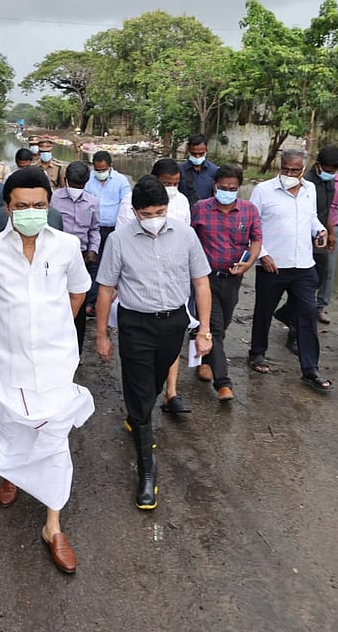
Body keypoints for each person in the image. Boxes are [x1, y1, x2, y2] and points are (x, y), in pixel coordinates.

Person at [0, 166, 93, 574]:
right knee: (11, 426)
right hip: (9, 361)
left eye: (39, 205)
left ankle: (53, 525)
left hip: (57, 362)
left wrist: (57, 325)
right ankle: (12, 475)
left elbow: (79, 291)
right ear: (7, 207)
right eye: (22, 206)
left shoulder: (66, 246)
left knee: (54, 438)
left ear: (49, 205)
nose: (31, 212)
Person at [95, 176, 212, 510]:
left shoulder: (186, 235)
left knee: (154, 384)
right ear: (135, 212)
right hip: (135, 324)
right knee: (140, 388)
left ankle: (138, 414)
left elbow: (201, 282)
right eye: (148, 214)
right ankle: (147, 471)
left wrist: (204, 329)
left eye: (160, 211)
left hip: (173, 322)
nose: (155, 218)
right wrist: (101, 334)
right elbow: (105, 288)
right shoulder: (119, 240)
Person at [247, 149, 332, 392]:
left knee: (307, 314)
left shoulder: (310, 190)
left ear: (303, 170)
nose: (289, 173)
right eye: (285, 169)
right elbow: (252, 227)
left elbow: (312, 218)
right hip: (272, 264)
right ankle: (257, 353)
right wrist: (262, 254)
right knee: (263, 311)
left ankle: (310, 368)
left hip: (303, 264)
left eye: (295, 170)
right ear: (280, 166)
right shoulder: (263, 190)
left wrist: (320, 231)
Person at [114, 158, 192, 413]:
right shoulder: (131, 202)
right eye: (165, 184)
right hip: (140, 286)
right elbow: (123, 242)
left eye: (174, 184)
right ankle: (141, 421)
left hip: (171, 286)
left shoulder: (181, 202)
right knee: (140, 365)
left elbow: (186, 239)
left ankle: (170, 392)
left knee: (168, 351)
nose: (170, 188)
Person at [190, 165, 262, 401]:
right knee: (215, 327)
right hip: (205, 279)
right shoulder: (200, 209)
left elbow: (256, 240)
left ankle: (203, 358)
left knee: (222, 323)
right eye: (222, 188)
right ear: (214, 186)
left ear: (239, 188)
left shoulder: (249, 211)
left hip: (233, 278)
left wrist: (249, 262)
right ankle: (223, 383)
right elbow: (189, 241)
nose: (227, 192)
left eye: (232, 189)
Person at [274, 145, 338, 349]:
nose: (331, 174)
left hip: (317, 240)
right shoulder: (304, 182)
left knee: (314, 283)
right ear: (318, 165)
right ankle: (294, 333)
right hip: (297, 243)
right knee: (301, 292)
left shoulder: (327, 184)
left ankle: (286, 313)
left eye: (334, 171)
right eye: (328, 170)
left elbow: (324, 210)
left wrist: (329, 231)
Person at [50, 161, 100, 350]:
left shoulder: (92, 202)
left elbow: (95, 229)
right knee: (57, 300)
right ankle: (55, 343)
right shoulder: (54, 199)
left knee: (79, 302)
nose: (76, 190)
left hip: (81, 257)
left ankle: (76, 349)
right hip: (56, 256)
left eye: (80, 186)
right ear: (66, 180)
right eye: (73, 185)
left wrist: (93, 249)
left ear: (86, 183)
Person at [84, 150, 132, 316]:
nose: (100, 173)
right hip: (94, 229)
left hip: (114, 230)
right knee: (94, 264)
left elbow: (127, 205)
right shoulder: (89, 180)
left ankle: (111, 303)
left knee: (113, 266)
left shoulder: (121, 181)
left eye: (103, 170)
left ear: (110, 167)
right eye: (97, 170)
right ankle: (91, 302)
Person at [319, 169, 338, 322]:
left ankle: (321, 306)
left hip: (334, 231)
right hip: (314, 228)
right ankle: (303, 304)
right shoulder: (312, 180)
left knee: (328, 270)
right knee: (308, 270)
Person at [179, 134, 219, 204]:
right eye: (194, 154)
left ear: (206, 150)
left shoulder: (214, 170)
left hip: (205, 211)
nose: (197, 156)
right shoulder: (179, 169)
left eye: (201, 154)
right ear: (188, 150)